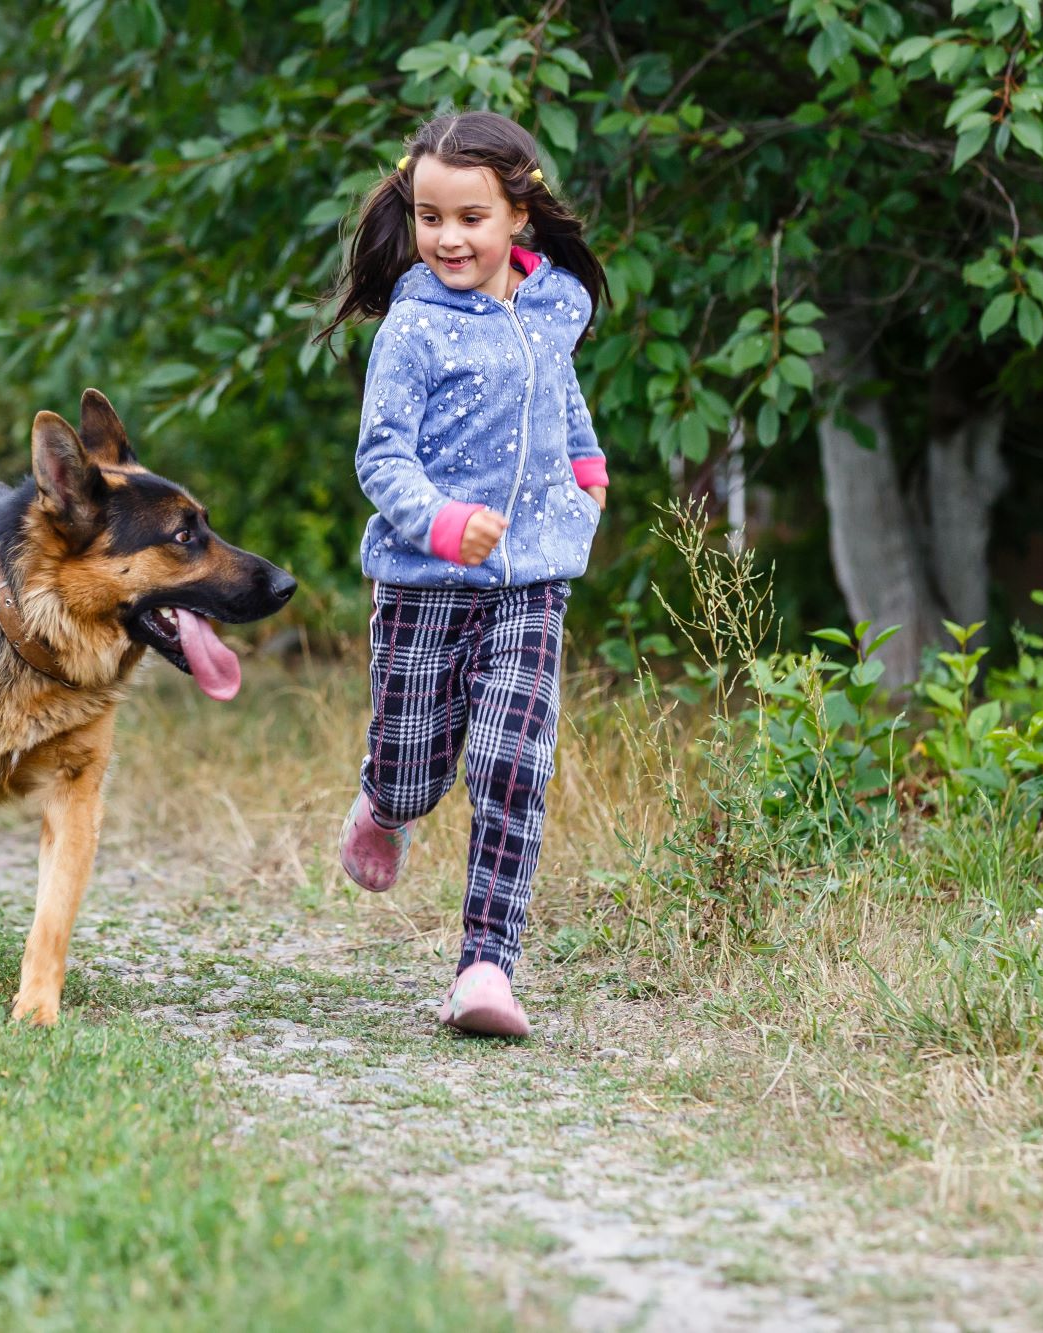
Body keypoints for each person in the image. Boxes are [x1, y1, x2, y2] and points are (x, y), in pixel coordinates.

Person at [315, 109, 609, 1038]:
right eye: (431, 217)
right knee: (416, 766)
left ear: (518, 213)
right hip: (422, 582)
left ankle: (487, 965)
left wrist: (590, 476)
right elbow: (381, 460)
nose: (448, 238)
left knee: (511, 763)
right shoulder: (413, 327)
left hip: (533, 580)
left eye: (471, 217)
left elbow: (559, 401)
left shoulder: (554, 303)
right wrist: (442, 523)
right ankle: (384, 802)